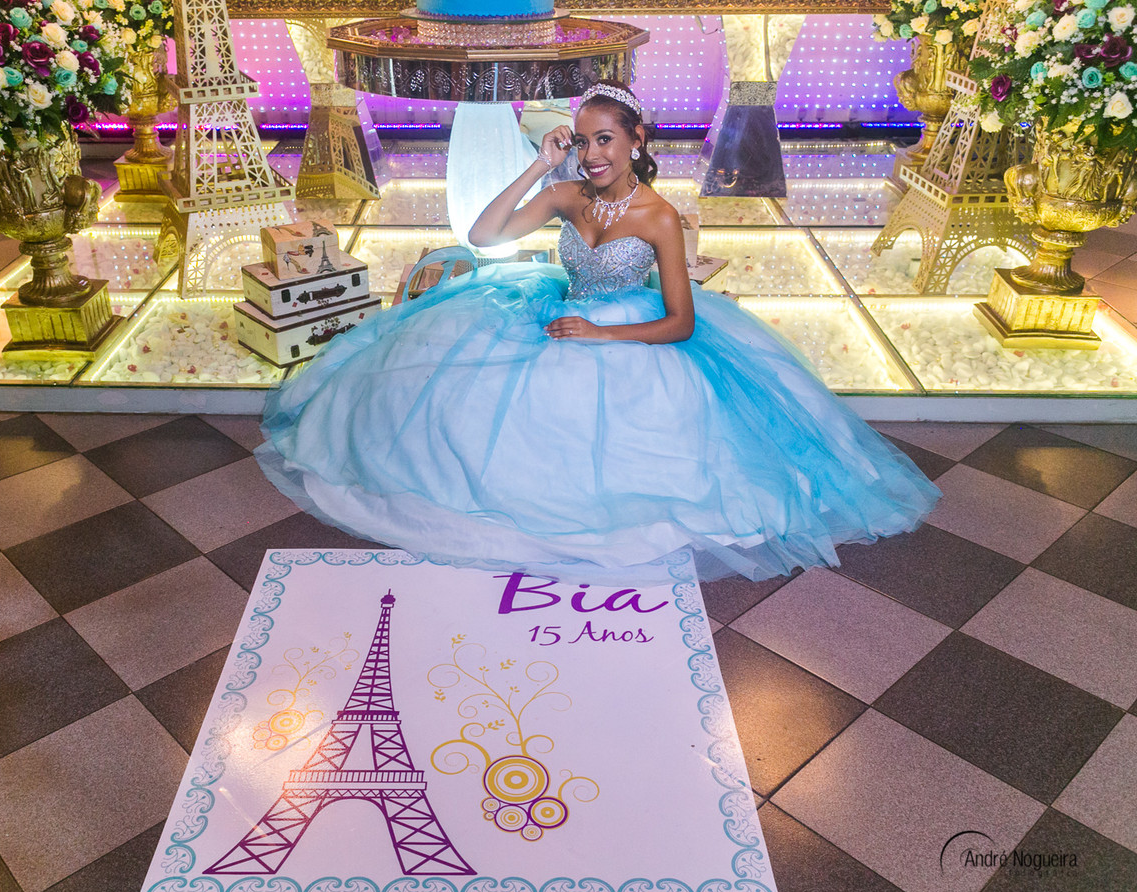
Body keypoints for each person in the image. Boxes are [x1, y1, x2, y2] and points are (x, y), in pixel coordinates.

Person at [256, 81, 940, 583]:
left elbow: (680, 321)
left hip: (629, 333)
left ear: (636, 140)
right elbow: (483, 234)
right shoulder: (566, 192)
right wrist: (538, 162)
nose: (591, 153)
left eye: (603, 139)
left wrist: (599, 336)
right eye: (581, 140)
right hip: (558, 309)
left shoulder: (659, 218)